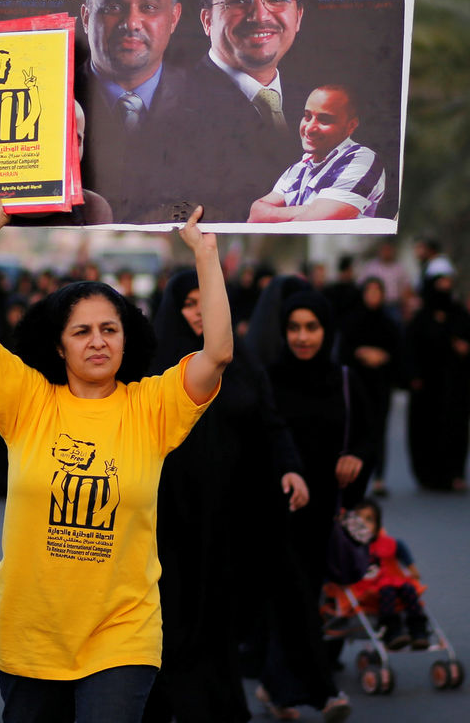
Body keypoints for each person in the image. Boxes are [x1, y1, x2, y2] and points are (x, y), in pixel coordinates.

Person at [0, 192, 233, 723]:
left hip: (122, 634)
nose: (97, 342)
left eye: (110, 329)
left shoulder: (152, 406)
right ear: (59, 346)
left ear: (127, 339)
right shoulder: (29, 401)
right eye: (81, 331)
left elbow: (216, 354)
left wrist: (205, 255)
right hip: (30, 635)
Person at [142, 269, 308, 723]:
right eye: (190, 303)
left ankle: (216, 704)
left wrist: (291, 469)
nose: (199, 312)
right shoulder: (152, 360)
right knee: (171, 615)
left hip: (231, 513)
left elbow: (269, 424)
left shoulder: (245, 363)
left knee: (220, 614)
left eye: (206, 301)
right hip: (167, 516)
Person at [253, 289, 374, 721]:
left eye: (311, 327)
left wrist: (356, 456)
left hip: (327, 510)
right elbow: (258, 439)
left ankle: (274, 687)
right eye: (294, 328)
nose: (302, 337)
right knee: (297, 598)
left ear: (326, 329)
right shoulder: (268, 378)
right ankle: (325, 693)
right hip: (280, 509)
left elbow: (366, 434)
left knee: (303, 599)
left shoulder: (344, 379)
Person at [76, 0, 199, 223]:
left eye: (149, 7)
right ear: (86, 17)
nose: (131, 23)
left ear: (174, 18)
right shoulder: (53, 100)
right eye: (112, 7)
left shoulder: (213, 104)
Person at [188, 0, 305, 221]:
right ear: (207, 20)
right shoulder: (173, 103)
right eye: (239, 1)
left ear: (298, 16)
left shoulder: (315, 103)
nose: (260, 16)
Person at [247, 85, 386, 222]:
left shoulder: (361, 159)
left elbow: (314, 223)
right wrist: (310, 209)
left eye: (324, 120)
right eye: (307, 117)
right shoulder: (298, 168)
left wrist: (279, 215)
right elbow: (256, 214)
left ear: (351, 126)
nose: (310, 128)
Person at [405, 269, 470, 491]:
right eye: (440, 285)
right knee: (426, 429)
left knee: (455, 429)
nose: (444, 290)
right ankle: (429, 475)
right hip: (426, 387)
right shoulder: (421, 318)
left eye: (448, 284)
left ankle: (454, 474)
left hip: (454, 384)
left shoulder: (459, 314)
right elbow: (410, 350)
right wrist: (413, 376)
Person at [339, 278, 403, 497]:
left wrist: (383, 356)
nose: (374, 296)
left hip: (380, 384)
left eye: (378, 291)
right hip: (358, 384)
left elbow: (399, 352)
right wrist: (361, 354)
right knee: (357, 428)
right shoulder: (352, 321)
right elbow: (344, 352)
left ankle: (379, 477)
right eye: (370, 291)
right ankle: (357, 476)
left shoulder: (389, 322)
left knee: (379, 430)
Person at [350, 498, 430, 650]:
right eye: (359, 520)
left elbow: (400, 548)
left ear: (378, 525)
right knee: (388, 592)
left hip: (391, 581)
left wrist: (412, 568)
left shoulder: (388, 542)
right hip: (368, 588)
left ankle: (418, 631)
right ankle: (392, 631)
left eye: (369, 520)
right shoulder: (351, 547)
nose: (364, 525)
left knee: (409, 590)